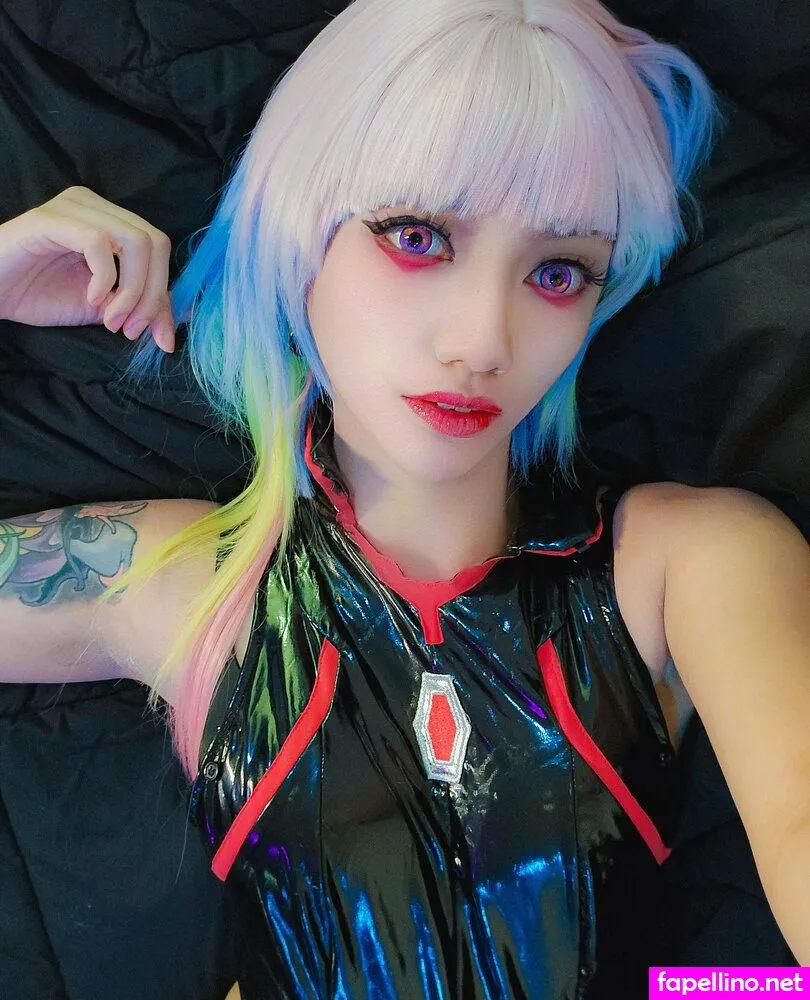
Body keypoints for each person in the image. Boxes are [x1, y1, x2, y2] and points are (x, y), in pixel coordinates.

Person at [0, 0, 808, 997]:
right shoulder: (183, 583)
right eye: (419, 237)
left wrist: (726, 989)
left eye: (559, 272)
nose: (483, 341)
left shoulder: (689, 565)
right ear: (300, 232)